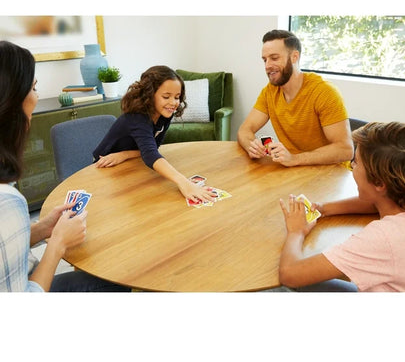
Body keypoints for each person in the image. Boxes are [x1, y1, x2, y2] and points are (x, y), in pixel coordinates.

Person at [0, 40, 129, 292]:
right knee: (119, 284)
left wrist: (41, 228)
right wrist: (57, 243)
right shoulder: (7, 202)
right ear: (12, 102)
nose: (36, 97)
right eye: (34, 88)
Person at [278, 121, 405, 292]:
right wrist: (324, 208)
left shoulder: (384, 238)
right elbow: (376, 203)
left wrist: (296, 232)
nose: (351, 166)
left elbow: (290, 274)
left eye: (356, 162)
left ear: (380, 183)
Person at [93, 65, 217, 204]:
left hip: (133, 164)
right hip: (106, 166)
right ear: (149, 94)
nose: (173, 103)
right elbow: (150, 154)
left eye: (177, 97)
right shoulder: (137, 117)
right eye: (166, 97)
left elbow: (153, 148)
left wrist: (124, 154)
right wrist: (184, 183)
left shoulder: (165, 114)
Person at [238, 29, 354, 167]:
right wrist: (251, 145)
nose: (267, 65)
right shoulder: (270, 92)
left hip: (332, 175)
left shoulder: (324, 92)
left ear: (294, 57)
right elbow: (244, 130)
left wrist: (295, 159)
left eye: (274, 58)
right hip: (294, 171)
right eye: (265, 60)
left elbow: (345, 150)